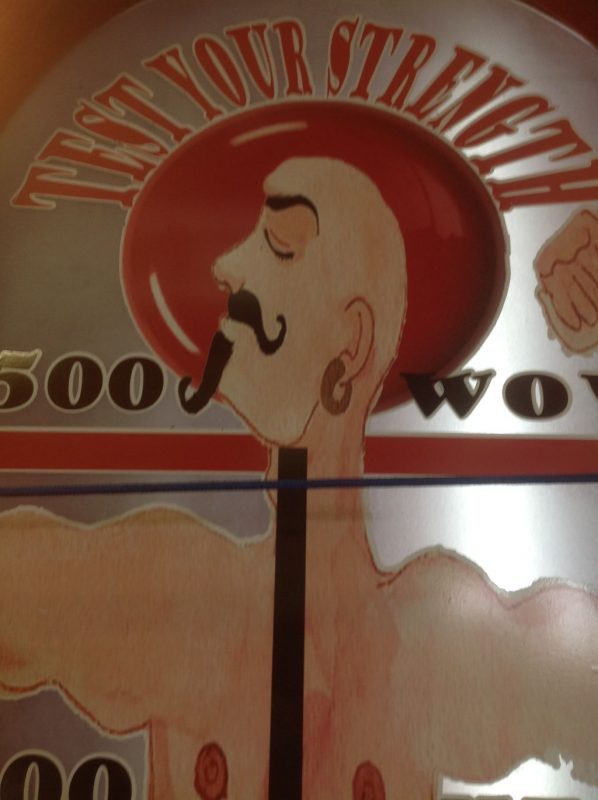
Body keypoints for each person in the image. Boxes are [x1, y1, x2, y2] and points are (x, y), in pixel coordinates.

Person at [0, 157, 597, 800]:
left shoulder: (445, 641)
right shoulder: (168, 588)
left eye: (279, 247)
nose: (227, 266)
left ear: (352, 344)